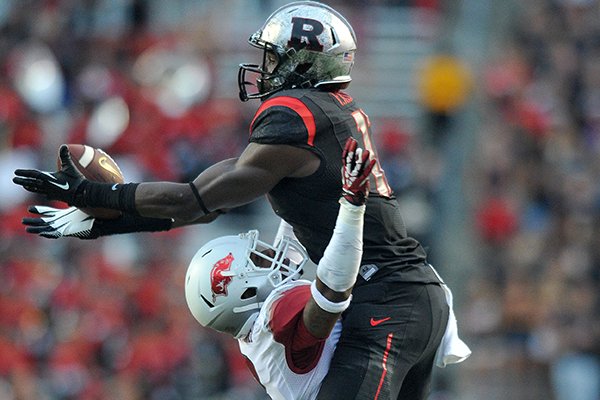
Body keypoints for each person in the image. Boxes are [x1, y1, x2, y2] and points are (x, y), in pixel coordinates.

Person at [13, 2, 470, 398]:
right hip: (407, 294)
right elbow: (206, 202)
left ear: (302, 62)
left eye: (273, 57)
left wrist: (94, 194)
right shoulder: (325, 118)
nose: (264, 67)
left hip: (385, 303)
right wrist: (100, 222)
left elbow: (194, 200)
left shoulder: (298, 117)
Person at [185, 138, 373, 400]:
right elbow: (332, 291)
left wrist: (292, 175)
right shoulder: (275, 318)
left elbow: (292, 240)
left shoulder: (256, 332)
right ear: (243, 293)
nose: (272, 254)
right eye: (258, 259)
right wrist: (352, 205)